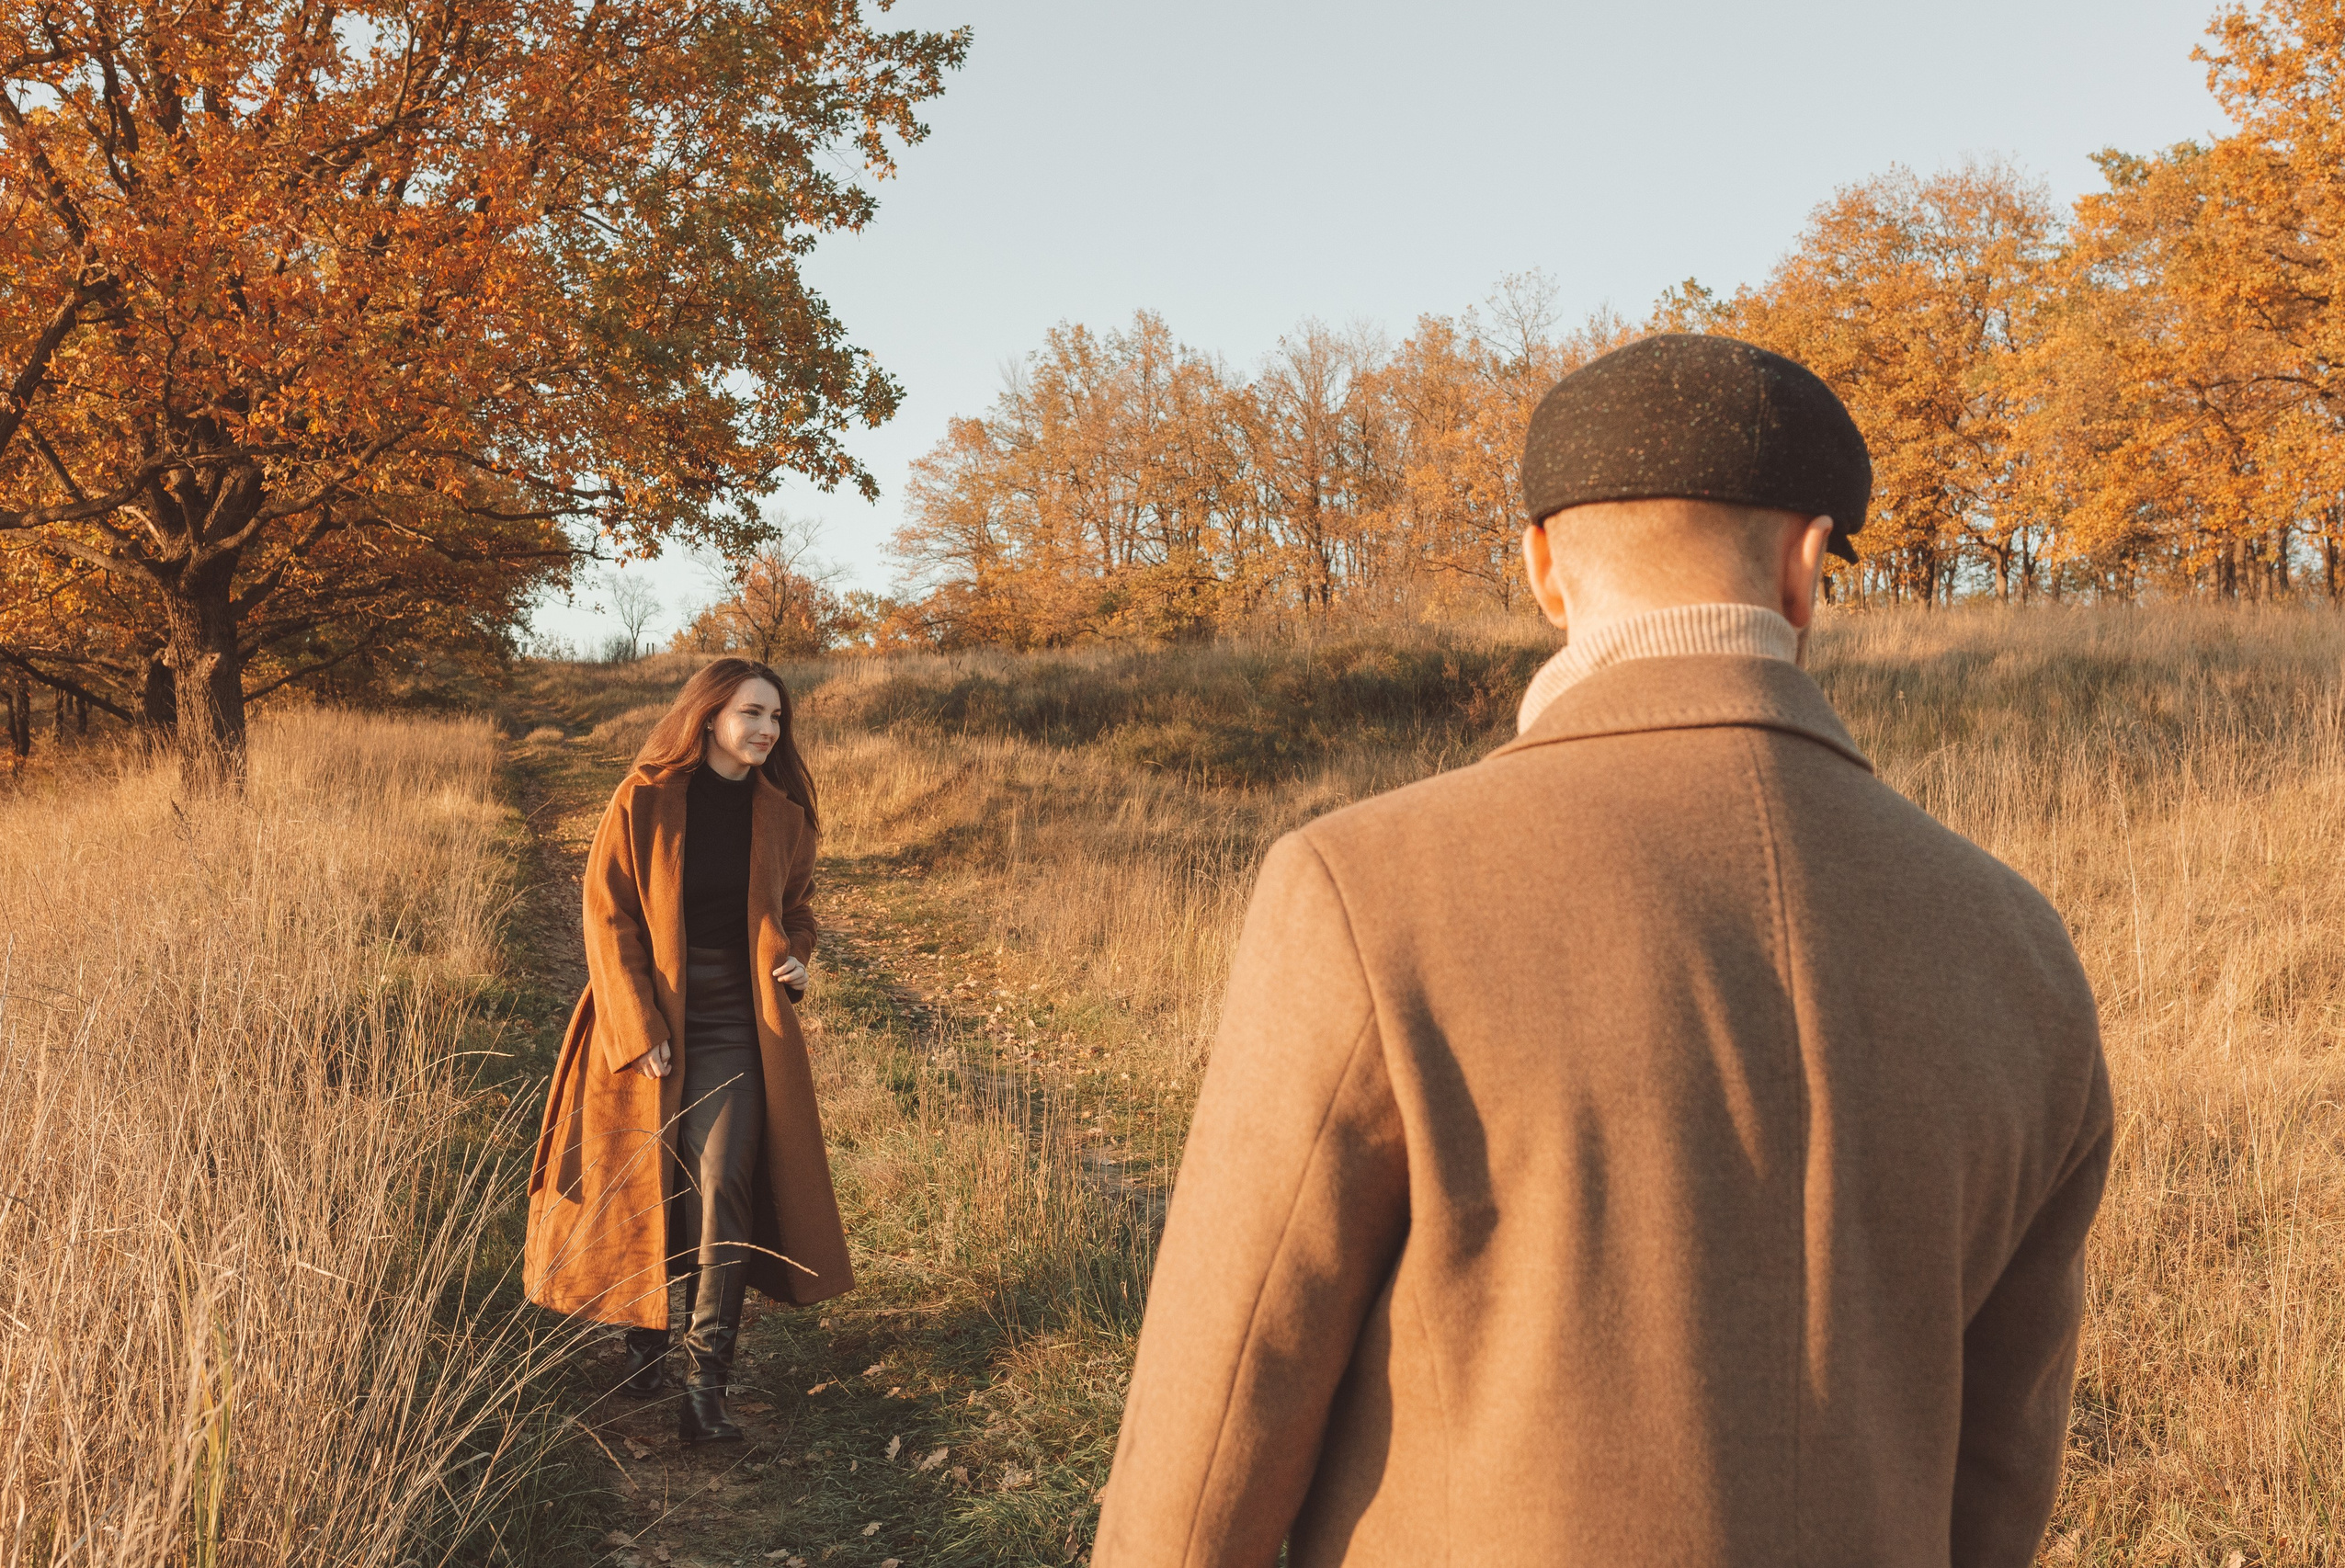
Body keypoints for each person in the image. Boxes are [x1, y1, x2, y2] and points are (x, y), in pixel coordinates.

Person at [1092, 335, 2112, 1566]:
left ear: (1542, 569)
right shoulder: (2018, 945)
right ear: (1803, 568)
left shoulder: (1364, 886)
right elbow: (2001, 1469)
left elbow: (1220, 1421)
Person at [524, 656, 854, 1445]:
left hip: (743, 1025)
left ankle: (707, 1387)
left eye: (776, 717)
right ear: (709, 717)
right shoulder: (644, 798)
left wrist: (798, 956)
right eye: (752, 714)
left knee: (723, 1186)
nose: (768, 730)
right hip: (650, 1017)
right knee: (647, 1181)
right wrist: (639, 1028)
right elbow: (607, 916)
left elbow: (799, 910)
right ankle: (644, 1335)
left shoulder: (785, 814)